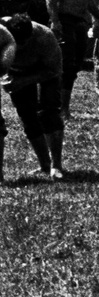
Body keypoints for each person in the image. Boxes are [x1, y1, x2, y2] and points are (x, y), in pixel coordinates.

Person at [3, 12, 67, 178]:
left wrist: (24, 81)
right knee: (27, 116)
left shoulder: (45, 37)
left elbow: (54, 70)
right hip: (16, 73)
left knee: (49, 113)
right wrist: (6, 79)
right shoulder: (1, 35)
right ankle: (44, 164)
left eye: (23, 43)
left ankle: (56, 165)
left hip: (45, 72)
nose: (19, 47)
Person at [46, 0, 96, 106]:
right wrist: (55, 21)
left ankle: (63, 105)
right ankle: (58, 106)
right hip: (64, 20)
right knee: (65, 64)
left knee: (75, 65)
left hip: (80, 22)